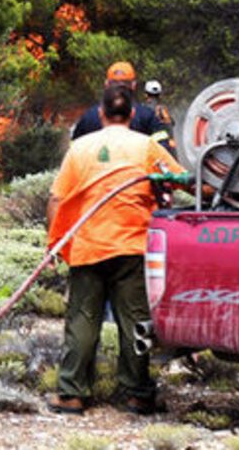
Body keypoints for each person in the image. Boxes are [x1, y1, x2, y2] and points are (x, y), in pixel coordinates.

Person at [47, 88, 184, 415]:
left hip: (87, 245)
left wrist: (55, 243)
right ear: (133, 115)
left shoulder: (80, 148)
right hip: (132, 246)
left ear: (102, 113)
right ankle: (137, 394)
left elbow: (55, 198)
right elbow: (180, 179)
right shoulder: (147, 145)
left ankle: (72, 394)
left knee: (82, 320)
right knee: (135, 321)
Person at [70, 62, 174, 153]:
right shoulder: (148, 116)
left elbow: (74, 151)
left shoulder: (89, 116)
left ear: (106, 84)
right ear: (133, 85)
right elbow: (163, 151)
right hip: (139, 174)